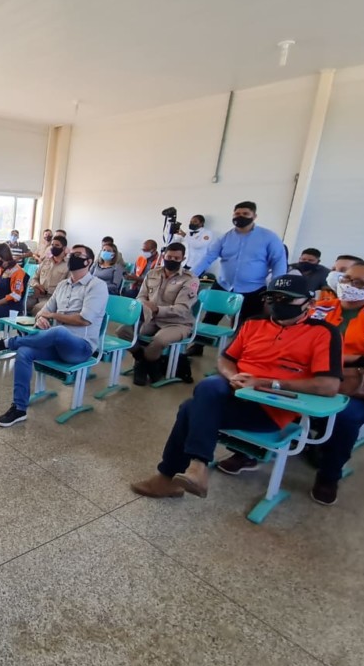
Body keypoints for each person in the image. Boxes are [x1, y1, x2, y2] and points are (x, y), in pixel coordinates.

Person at [130, 274, 342, 499]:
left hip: (271, 407)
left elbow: (328, 386)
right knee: (210, 386)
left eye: (286, 299)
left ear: (309, 304)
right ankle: (195, 468)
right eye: (273, 298)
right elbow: (226, 358)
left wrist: (265, 383)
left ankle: (173, 475)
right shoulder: (253, 323)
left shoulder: (323, 333)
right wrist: (234, 375)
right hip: (235, 391)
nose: (278, 303)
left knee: (189, 409)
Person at [220, 262, 364, 504]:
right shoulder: (320, 308)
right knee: (261, 389)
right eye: (346, 278)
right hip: (311, 376)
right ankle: (246, 453)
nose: (348, 285)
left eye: (358, 283)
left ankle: (329, 476)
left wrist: (323, 357)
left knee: (345, 416)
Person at [0, 244, 108, 427]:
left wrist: (53, 316)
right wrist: (41, 318)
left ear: (88, 261)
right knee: (25, 352)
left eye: (78, 255)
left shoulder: (97, 286)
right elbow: (45, 310)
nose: (72, 256)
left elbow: (84, 320)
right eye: (71, 253)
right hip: (56, 343)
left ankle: (9, 342)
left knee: (58, 331)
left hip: (81, 347)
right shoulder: (64, 284)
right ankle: (19, 408)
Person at [186, 201, 287, 326]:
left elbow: (279, 262)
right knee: (210, 319)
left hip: (253, 289)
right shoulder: (225, 238)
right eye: (237, 213)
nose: (240, 216)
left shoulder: (269, 237)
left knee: (248, 324)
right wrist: (190, 275)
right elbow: (208, 257)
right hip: (224, 285)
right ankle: (198, 345)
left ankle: (239, 345)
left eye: (245, 213)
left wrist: (276, 288)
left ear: (254, 216)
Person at [118, 242, 199, 386]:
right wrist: (145, 305)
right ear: (164, 256)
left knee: (159, 341)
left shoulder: (190, 279)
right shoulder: (152, 273)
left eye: (176, 258)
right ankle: (144, 361)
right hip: (152, 318)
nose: (172, 260)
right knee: (123, 331)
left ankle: (144, 366)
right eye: (169, 257)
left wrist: (156, 309)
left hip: (178, 322)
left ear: (183, 258)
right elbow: (141, 296)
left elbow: (182, 309)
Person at [27, 234, 68, 314]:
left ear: (63, 248)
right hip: (37, 294)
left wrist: (46, 291)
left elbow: (67, 287)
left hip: (52, 298)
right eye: (52, 245)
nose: (53, 247)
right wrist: (37, 285)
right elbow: (34, 278)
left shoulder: (68, 265)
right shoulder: (46, 261)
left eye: (57, 245)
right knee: (21, 304)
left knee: (38, 308)